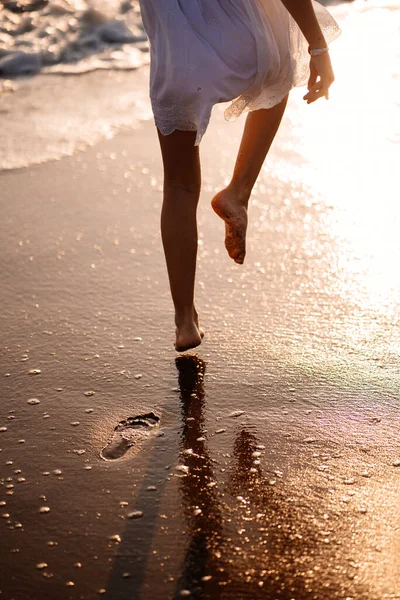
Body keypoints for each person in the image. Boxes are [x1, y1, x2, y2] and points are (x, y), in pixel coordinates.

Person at [138, 0, 341, 352]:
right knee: (280, 68)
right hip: (242, 41)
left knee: (179, 185)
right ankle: (239, 191)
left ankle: (184, 320)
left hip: (177, 50)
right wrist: (318, 45)